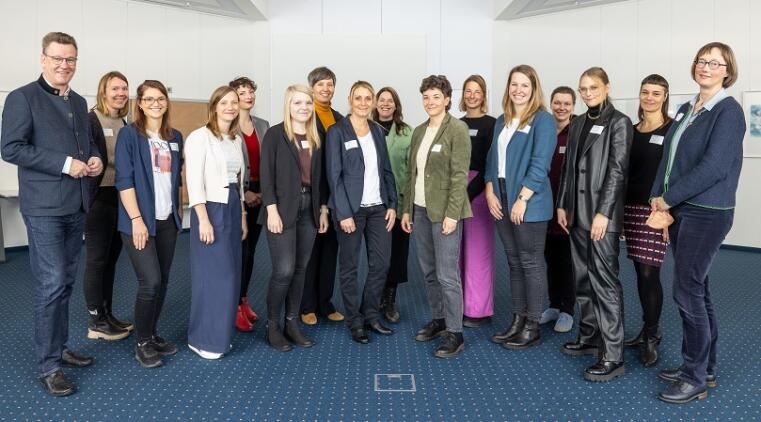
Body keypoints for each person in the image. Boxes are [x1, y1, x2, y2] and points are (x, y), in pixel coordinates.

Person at [1, 32, 101, 396]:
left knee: (65, 283)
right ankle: (49, 365)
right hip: (44, 209)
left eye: (71, 59)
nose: (64, 65)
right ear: (43, 59)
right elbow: (11, 148)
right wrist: (63, 164)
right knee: (52, 283)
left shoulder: (77, 100)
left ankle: (59, 349)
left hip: (76, 206)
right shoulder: (21, 98)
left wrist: (93, 158)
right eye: (57, 58)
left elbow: (85, 144)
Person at [651, 42, 745, 404]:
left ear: (727, 71)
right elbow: (669, 157)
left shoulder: (729, 111)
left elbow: (713, 167)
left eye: (715, 63)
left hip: (707, 212)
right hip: (681, 209)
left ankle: (694, 378)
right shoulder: (690, 108)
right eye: (702, 61)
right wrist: (656, 197)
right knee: (697, 289)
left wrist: (668, 199)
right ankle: (704, 366)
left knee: (687, 290)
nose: (706, 67)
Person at [556, 67, 632, 382]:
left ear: (607, 87)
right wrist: (562, 202)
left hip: (602, 217)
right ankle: (589, 335)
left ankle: (613, 356)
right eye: (583, 88)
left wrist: (604, 212)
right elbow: (568, 169)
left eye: (593, 87)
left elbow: (617, 171)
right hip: (576, 213)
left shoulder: (619, 122)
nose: (588, 93)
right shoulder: (577, 122)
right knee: (582, 278)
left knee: (605, 283)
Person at [484, 65, 556, 349]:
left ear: (534, 88)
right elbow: (492, 160)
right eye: (514, 84)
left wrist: (522, 199)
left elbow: (540, 164)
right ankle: (517, 319)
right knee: (513, 262)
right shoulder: (502, 120)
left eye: (524, 85)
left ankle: (532, 324)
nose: (518, 90)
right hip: (501, 199)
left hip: (529, 202)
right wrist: (490, 190)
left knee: (531, 262)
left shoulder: (543, 120)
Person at [401, 75, 471, 358]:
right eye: (426, 97)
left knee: (446, 275)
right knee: (429, 272)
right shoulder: (419, 131)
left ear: (447, 99)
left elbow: (459, 176)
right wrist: (406, 208)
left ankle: (455, 332)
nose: (430, 102)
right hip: (419, 209)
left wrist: (452, 215)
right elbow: (411, 175)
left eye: (436, 97)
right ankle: (439, 319)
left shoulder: (457, 129)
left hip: (445, 213)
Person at [115, 80, 183, 368]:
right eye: (150, 99)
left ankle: (153, 333)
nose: (156, 103)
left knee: (163, 280)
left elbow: (175, 179)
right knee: (150, 281)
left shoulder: (175, 136)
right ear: (140, 103)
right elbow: (124, 180)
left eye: (161, 98)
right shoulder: (129, 135)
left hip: (167, 219)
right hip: (138, 222)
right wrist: (136, 220)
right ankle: (142, 342)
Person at [259, 85, 329, 352]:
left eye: (308, 103)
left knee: (300, 270)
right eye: (298, 103)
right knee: (284, 270)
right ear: (288, 105)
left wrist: (323, 209)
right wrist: (271, 209)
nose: (304, 107)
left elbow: (321, 177)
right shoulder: (275, 135)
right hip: (282, 209)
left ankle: (291, 322)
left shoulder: (316, 136)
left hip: (309, 207)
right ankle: (273, 325)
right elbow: (266, 176)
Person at [327, 81, 397, 344]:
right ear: (350, 99)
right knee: (349, 268)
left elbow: (386, 170)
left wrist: (392, 205)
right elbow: (334, 176)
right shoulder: (337, 132)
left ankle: (371, 315)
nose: (364, 103)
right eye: (359, 98)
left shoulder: (377, 131)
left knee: (381, 264)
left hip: (378, 209)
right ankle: (354, 320)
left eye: (369, 98)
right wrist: (343, 213)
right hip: (351, 212)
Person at [185, 86, 248, 360]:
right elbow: (193, 181)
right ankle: (202, 339)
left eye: (234, 102)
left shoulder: (235, 139)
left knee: (231, 276)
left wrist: (243, 215)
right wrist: (202, 219)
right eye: (224, 102)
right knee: (213, 277)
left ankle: (219, 336)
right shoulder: (200, 137)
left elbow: (240, 182)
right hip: (210, 208)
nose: (230, 107)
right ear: (214, 106)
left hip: (233, 205)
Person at [622, 74, 673, 367]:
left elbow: (675, 174)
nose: (650, 97)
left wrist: (668, 214)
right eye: (645, 92)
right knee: (638, 271)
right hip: (629, 208)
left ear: (665, 96)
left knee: (648, 273)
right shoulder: (631, 130)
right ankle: (646, 328)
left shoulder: (671, 130)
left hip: (655, 211)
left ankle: (652, 334)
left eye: (656, 93)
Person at [82, 71, 132, 341]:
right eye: (115, 88)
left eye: (124, 88)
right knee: (97, 260)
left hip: (121, 196)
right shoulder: (91, 119)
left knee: (112, 260)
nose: (120, 93)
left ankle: (107, 313)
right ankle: (95, 321)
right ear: (103, 91)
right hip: (99, 197)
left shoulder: (124, 121)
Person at [301, 66, 344, 325]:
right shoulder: (305, 116)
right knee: (311, 250)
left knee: (330, 250)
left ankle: (325, 303)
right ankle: (306, 305)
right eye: (320, 85)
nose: (325, 89)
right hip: (313, 192)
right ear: (312, 87)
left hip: (335, 193)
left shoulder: (339, 118)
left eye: (329, 84)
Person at [229, 76, 270, 332]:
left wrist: (264, 191)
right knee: (238, 253)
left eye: (251, 91)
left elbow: (270, 161)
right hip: (238, 196)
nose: (248, 95)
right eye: (242, 92)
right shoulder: (227, 126)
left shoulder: (263, 125)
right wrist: (246, 195)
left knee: (251, 252)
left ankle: (243, 301)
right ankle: (232, 306)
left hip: (261, 194)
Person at [459, 74, 497, 328]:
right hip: (456, 189)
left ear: (483, 95)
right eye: (468, 91)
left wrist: (470, 191)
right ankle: (459, 305)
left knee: (478, 252)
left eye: (477, 91)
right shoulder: (455, 123)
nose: (472, 95)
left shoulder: (493, 124)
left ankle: (479, 310)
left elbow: (489, 163)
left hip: (481, 192)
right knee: (457, 252)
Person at [372, 86, 413, 323]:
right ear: (376, 104)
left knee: (397, 253)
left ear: (396, 105)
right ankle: (374, 295)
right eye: (382, 100)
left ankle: (389, 299)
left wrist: (407, 207)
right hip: (373, 203)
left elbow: (412, 172)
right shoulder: (365, 128)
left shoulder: (407, 132)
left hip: (398, 203)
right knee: (377, 253)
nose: (386, 104)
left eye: (390, 101)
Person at [539, 86, 577, 333]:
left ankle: (567, 310)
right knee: (549, 258)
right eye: (557, 103)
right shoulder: (544, 130)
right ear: (551, 104)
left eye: (566, 103)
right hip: (543, 205)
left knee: (566, 260)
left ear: (573, 106)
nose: (561, 107)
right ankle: (553, 305)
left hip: (567, 208)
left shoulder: (577, 132)